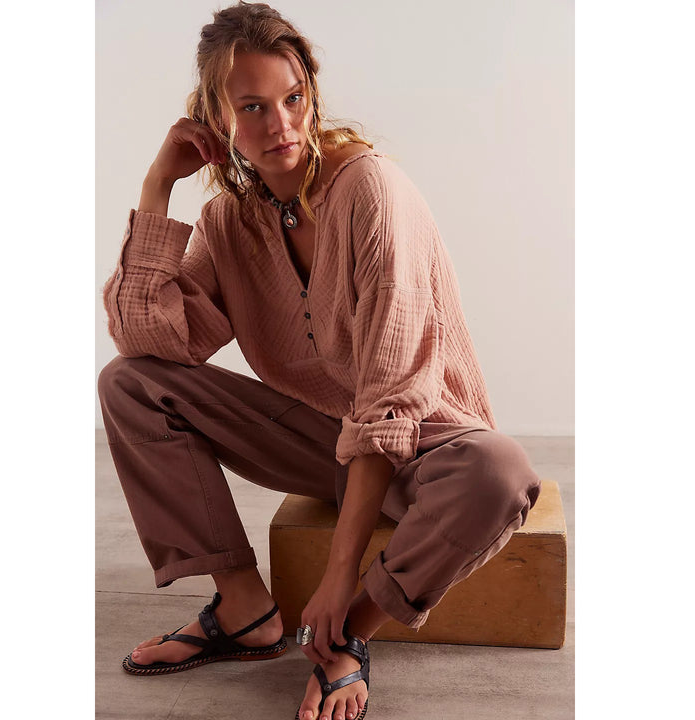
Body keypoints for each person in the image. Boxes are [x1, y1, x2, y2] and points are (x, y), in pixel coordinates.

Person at [97, 3, 542, 720]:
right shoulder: (229, 222)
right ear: (215, 120)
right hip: (318, 435)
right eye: (252, 107)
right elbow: (149, 339)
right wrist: (157, 188)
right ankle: (243, 610)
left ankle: (346, 637)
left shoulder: (371, 190)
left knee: (502, 472)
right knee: (129, 384)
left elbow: (389, 400)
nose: (281, 124)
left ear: (312, 94)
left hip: (423, 444)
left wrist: (339, 580)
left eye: (294, 98)